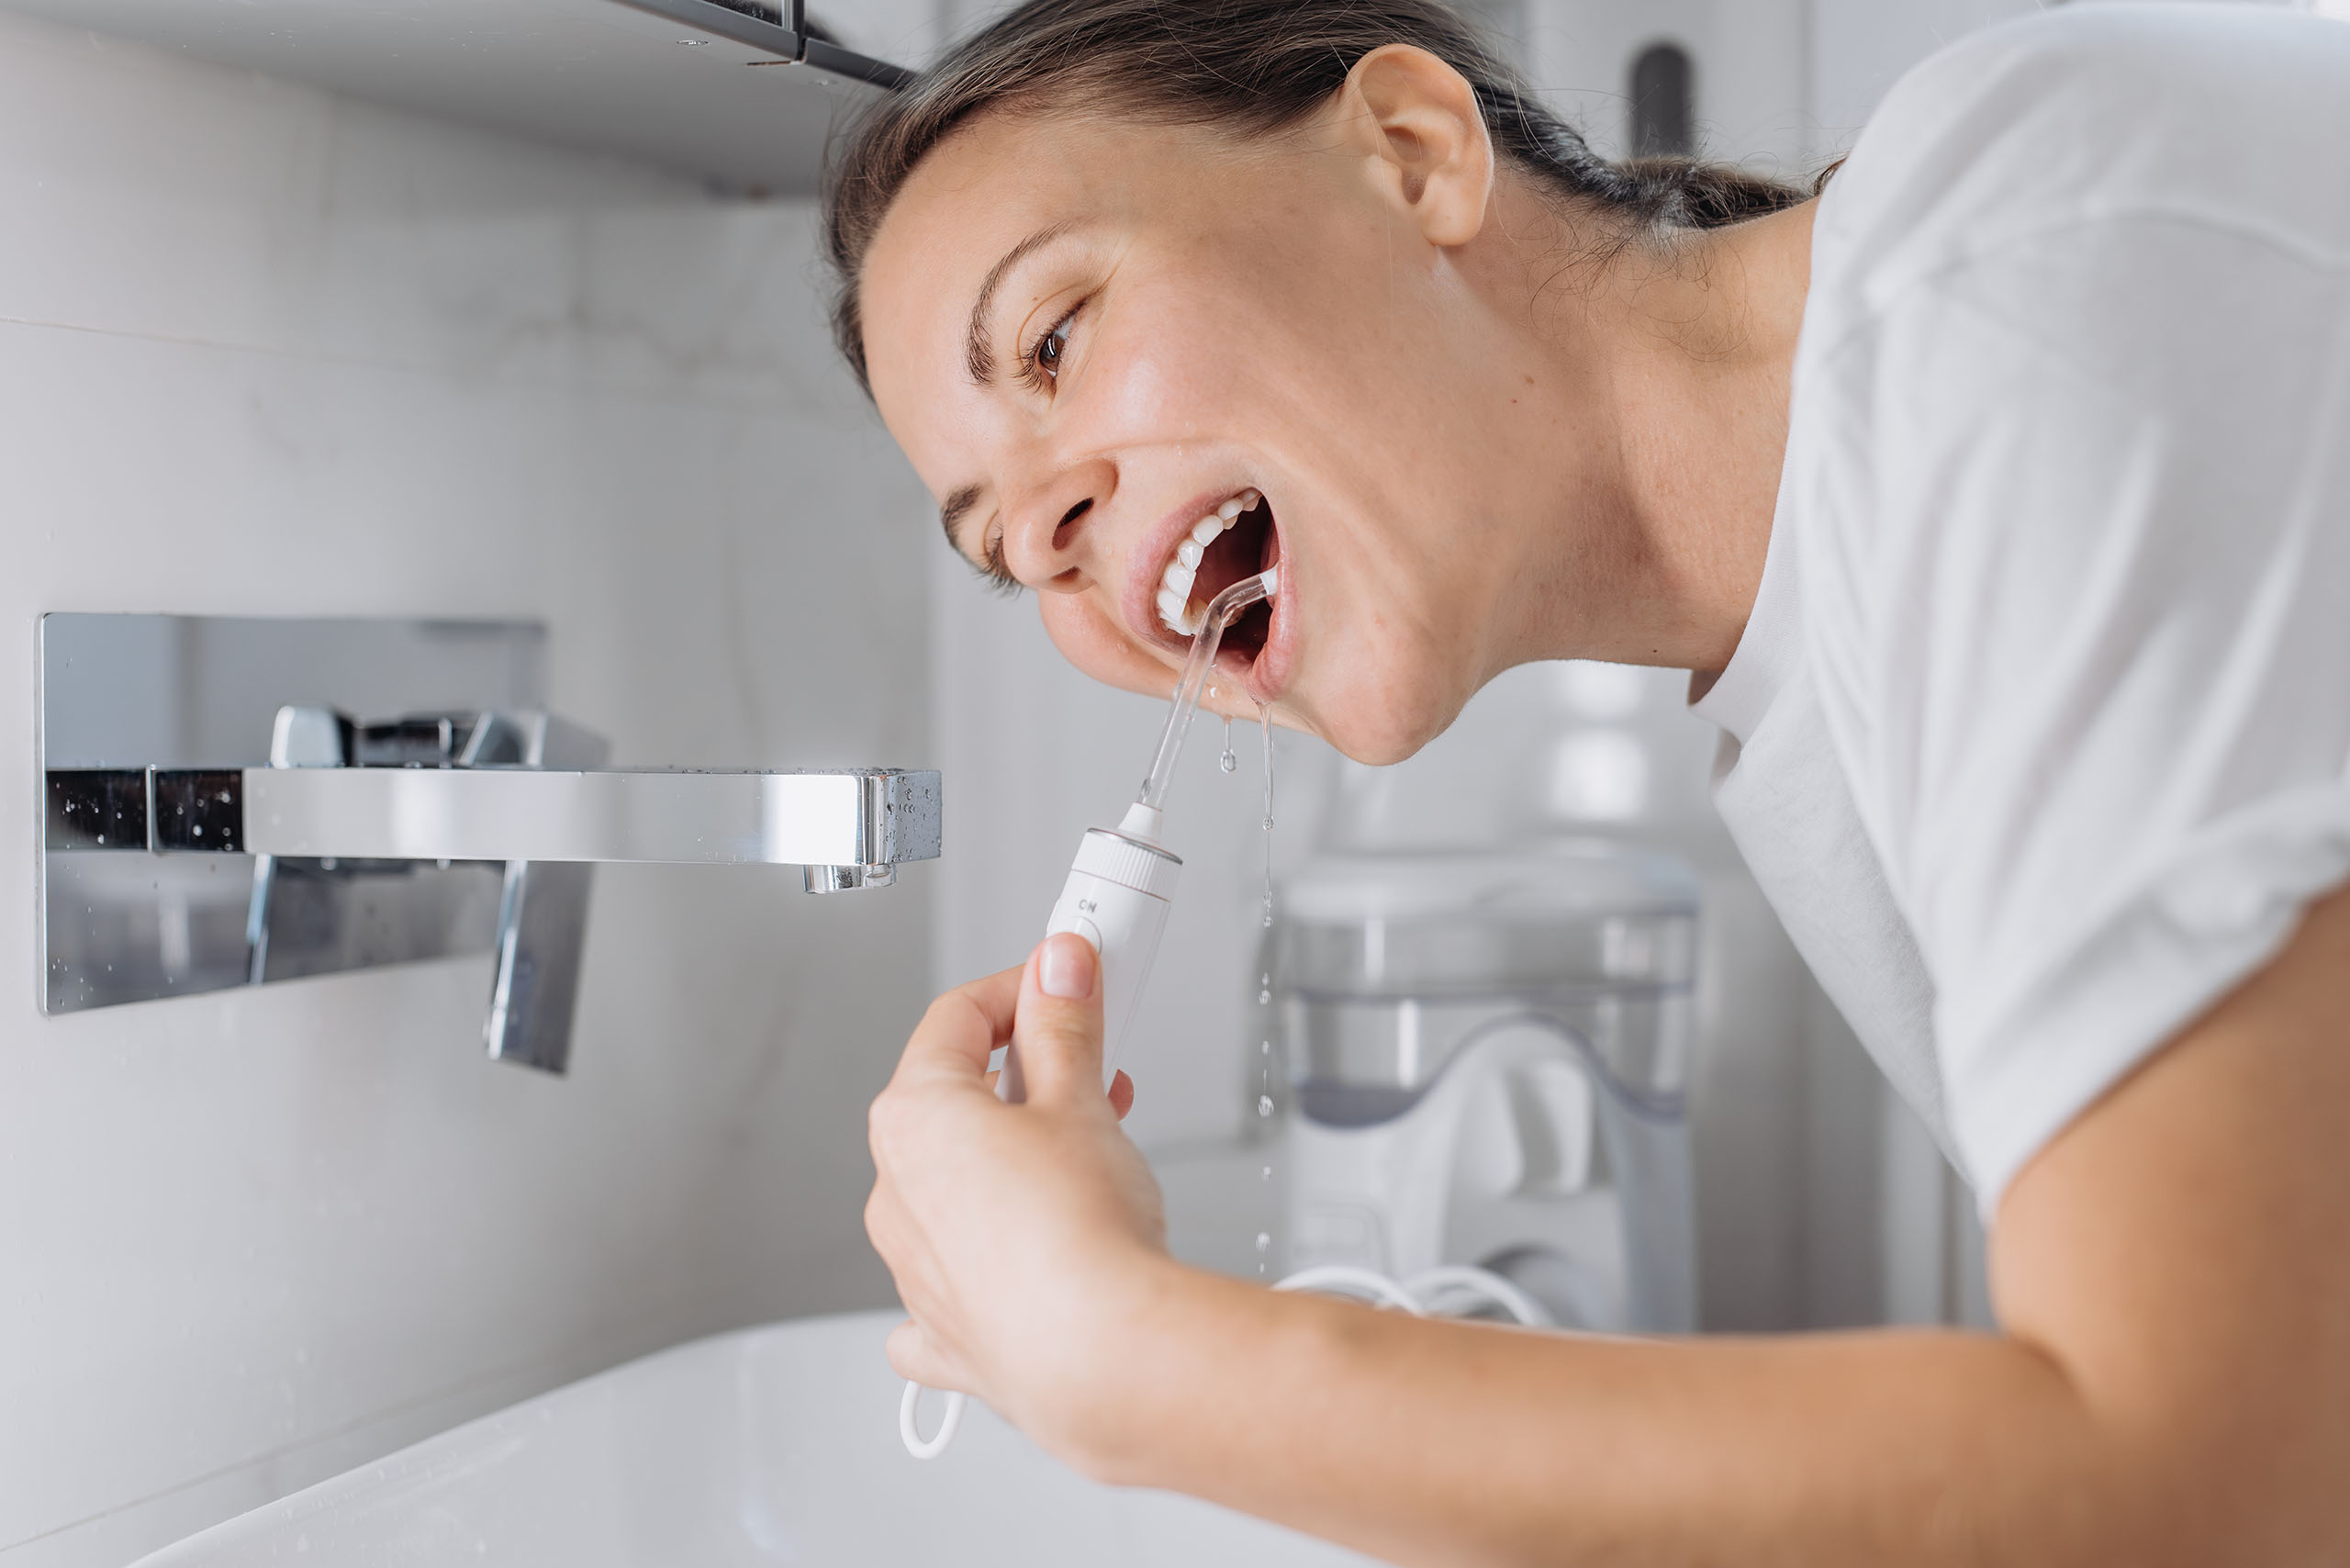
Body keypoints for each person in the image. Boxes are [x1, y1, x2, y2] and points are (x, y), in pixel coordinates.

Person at [833, 1, 2350, 1560]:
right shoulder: (1810, 705)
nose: (1051, 534)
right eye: (1005, 554)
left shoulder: (2016, 240)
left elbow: (2226, 1474)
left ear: (1413, 155)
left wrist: (1135, 1362)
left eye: (1055, 340)